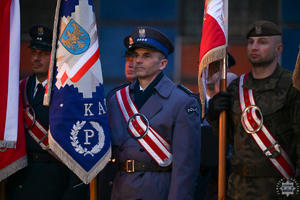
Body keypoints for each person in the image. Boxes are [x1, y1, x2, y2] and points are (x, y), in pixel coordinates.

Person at [206, 20, 300, 199]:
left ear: (278, 49)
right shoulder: (235, 88)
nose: (254, 47)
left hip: (279, 188)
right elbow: (229, 140)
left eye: (262, 42)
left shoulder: (293, 86)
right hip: (239, 189)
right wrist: (214, 116)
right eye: (251, 42)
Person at [107, 27, 201, 200]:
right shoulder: (117, 99)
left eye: (147, 56)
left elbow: (185, 167)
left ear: (163, 64)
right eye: (135, 55)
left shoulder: (181, 101)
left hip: (156, 191)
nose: (138, 61)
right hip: (121, 191)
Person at [5, 25, 89, 200]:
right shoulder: (19, 89)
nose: (36, 58)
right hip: (21, 181)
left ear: (56, 57)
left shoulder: (68, 93)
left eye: (43, 53)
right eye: (34, 52)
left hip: (55, 182)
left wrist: (74, 192)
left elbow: (80, 149)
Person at [97, 35, 137, 200]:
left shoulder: (165, 96)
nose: (130, 63)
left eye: (136, 58)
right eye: (128, 58)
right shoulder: (115, 96)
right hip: (118, 178)